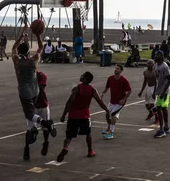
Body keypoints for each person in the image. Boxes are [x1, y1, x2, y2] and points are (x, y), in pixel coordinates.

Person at [11, 27, 57, 161]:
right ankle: (41, 127)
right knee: (32, 114)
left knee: (30, 115)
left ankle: (42, 124)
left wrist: (20, 36)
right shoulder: (33, 61)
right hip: (35, 91)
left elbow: (14, 48)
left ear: (19, 51)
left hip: (25, 92)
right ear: (28, 52)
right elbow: (41, 48)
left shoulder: (17, 61)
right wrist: (37, 35)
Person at [57, 71, 110, 162]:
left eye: (82, 75)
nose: (80, 76)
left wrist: (63, 115)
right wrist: (107, 110)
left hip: (73, 115)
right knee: (88, 134)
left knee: (69, 136)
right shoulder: (92, 90)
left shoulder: (77, 89)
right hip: (84, 115)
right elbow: (100, 102)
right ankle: (90, 151)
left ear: (85, 79)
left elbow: (69, 102)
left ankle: (65, 148)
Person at [100, 64, 132, 140]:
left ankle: (111, 133)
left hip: (120, 102)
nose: (115, 70)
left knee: (113, 115)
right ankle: (108, 128)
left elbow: (130, 91)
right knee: (107, 114)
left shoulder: (124, 80)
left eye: (118, 69)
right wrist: (102, 93)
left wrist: (124, 99)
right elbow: (107, 87)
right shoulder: (110, 78)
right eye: (115, 68)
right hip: (112, 101)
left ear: (121, 71)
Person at [153, 51, 170, 138]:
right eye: (155, 55)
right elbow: (156, 80)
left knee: (159, 108)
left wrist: (163, 92)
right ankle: (166, 127)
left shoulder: (164, 66)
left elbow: (169, 80)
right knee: (163, 108)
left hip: (165, 90)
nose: (156, 56)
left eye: (158, 55)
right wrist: (154, 91)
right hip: (159, 89)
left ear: (161, 56)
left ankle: (162, 129)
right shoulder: (155, 65)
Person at [35, 72, 52, 156]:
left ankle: (46, 142)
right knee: (30, 128)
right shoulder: (25, 75)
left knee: (45, 128)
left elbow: (41, 89)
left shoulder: (41, 75)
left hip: (42, 104)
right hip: (32, 105)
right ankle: (26, 147)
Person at [137, 59, 158, 124]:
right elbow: (145, 81)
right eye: (148, 64)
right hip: (148, 88)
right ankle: (151, 113)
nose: (148, 65)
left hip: (154, 87)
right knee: (147, 104)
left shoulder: (155, 72)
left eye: (150, 64)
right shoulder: (145, 72)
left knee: (152, 104)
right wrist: (141, 91)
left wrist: (155, 92)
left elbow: (156, 82)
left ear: (153, 65)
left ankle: (157, 117)